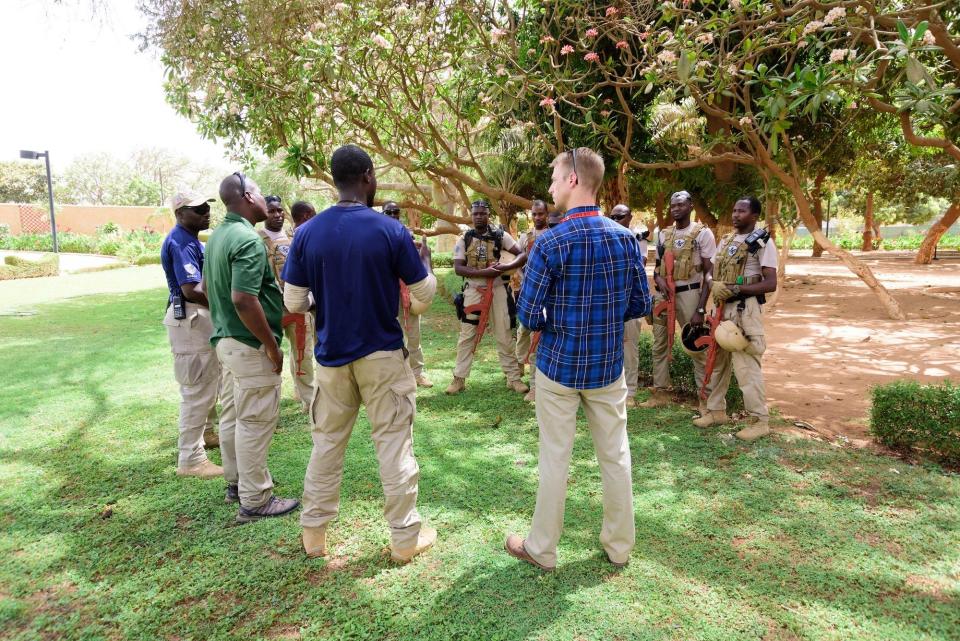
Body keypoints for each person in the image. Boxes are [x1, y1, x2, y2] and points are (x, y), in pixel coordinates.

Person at [282, 145, 438, 563]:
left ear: (335, 181)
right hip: (383, 356)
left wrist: (324, 302)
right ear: (368, 176)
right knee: (393, 445)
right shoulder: (390, 230)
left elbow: (294, 302)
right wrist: (426, 265)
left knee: (327, 444)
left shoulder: (307, 233)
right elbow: (423, 295)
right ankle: (405, 540)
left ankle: (314, 536)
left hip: (331, 360)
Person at [505, 148, 651, 571]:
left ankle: (542, 548)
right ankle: (619, 546)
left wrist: (558, 317)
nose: (549, 185)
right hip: (607, 367)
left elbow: (529, 316)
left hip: (558, 367)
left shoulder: (550, 241)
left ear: (573, 180)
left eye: (554, 177)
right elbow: (639, 304)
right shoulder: (626, 239)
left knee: (555, 456)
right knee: (616, 455)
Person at [204, 172, 299, 523]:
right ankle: (256, 498)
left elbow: (206, 287)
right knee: (255, 421)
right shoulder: (245, 238)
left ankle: (236, 484)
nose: (264, 200)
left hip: (225, 342)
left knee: (232, 417)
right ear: (247, 196)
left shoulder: (217, 237)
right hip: (247, 345)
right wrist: (270, 346)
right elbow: (243, 298)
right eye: (258, 193)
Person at [694, 196, 778, 441]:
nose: (735, 215)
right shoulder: (728, 240)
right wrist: (713, 284)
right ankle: (716, 411)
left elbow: (770, 283)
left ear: (754, 216)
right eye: (733, 210)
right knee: (718, 362)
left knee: (746, 366)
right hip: (722, 309)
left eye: (741, 211)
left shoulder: (762, 243)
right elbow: (711, 273)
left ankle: (759, 421)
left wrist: (737, 289)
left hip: (744, 310)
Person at [160, 191, 223, 479]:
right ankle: (191, 459)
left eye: (206, 207)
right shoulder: (181, 241)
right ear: (180, 213)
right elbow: (192, 290)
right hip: (191, 319)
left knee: (208, 382)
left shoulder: (191, 239)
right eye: (198, 209)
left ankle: (207, 434)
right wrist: (225, 309)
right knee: (196, 390)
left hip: (194, 320)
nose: (205, 212)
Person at [641, 191, 717, 414]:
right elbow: (656, 269)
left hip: (690, 295)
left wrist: (701, 308)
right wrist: (659, 281)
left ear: (691, 206)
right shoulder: (664, 234)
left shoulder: (702, 234)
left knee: (696, 346)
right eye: (672, 205)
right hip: (665, 295)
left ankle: (706, 400)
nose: (675, 209)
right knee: (659, 345)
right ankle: (660, 392)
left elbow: (709, 273)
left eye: (680, 205)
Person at [446, 200, 528, 395]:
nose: (479, 217)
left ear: (488, 215)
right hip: (473, 291)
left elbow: (521, 255)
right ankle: (459, 379)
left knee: (505, 335)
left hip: (499, 288)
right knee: (467, 335)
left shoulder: (501, 236)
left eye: (482, 213)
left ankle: (513, 378)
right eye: (475, 214)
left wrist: (505, 268)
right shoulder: (465, 238)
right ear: (472, 216)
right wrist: (482, 273)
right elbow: (458, 268)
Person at [258, 195, 316, 412]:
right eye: (272, 211)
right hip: (271, 308)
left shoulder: (296, 236)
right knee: (269, 354)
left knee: (303, 352)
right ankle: (268, 404)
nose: (277, 214)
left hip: (296, 305)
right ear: (264, 213)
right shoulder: (257, 239)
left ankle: (308, 398)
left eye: (280, 210)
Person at [384, 201, 433, 388]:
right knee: (392, 334)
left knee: (413, 333)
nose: (393, 215)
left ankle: (418, 374)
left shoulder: (408, 235)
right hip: (387, 293)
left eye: (396, 212)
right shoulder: (379, 236)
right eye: (389, 212)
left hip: (408, 291)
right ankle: (396, 375)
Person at [608, 203, 651, 408]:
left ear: (630, 217)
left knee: (629, 347)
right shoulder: (607, 237)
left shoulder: (637, 237)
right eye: (613, 217)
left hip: (630, 301)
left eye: (621, 217)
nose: (617, 221)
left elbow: (638, 268)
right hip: (610, 302)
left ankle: (630, 392)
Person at [514, 200, 549, 403]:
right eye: (534, 214)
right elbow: (518, 261)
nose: (537, 218)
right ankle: (518, 370)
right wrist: (523, 279)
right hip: (528, 294)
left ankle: (535, 387)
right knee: (522, 333)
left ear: (546, 214)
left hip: (544, 297)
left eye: (541, 214)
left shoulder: (553, 235)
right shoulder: (525, 237)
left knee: (537, 339)